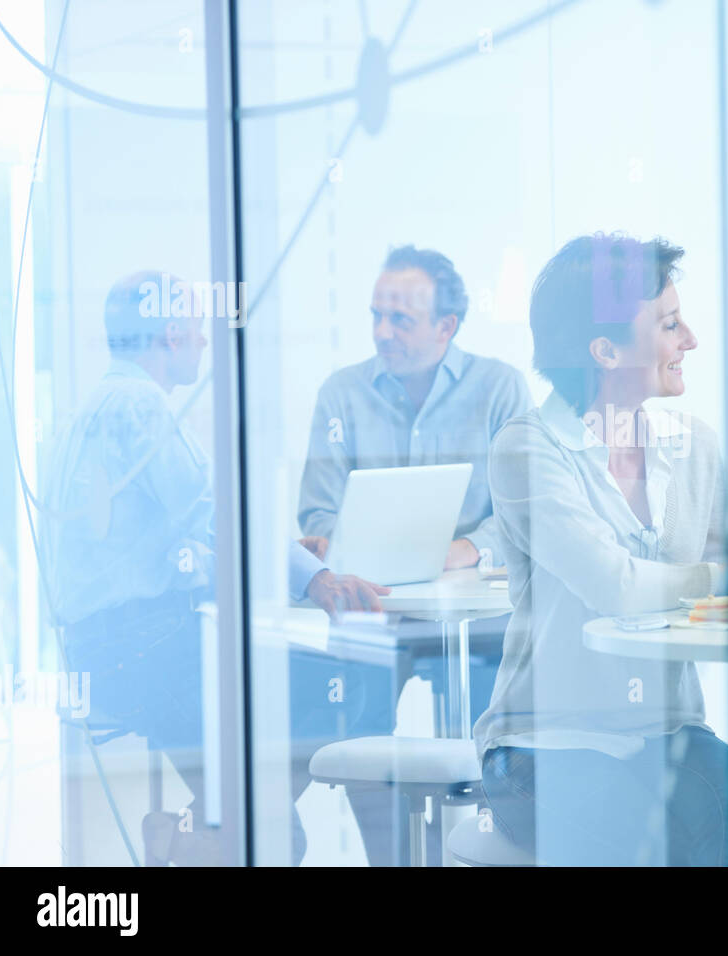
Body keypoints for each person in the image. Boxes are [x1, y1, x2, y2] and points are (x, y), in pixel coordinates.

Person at [41, 272, 390, 865]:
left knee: (267, 823)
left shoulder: (90, 407)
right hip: (151, 649)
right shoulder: (141, 406)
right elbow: (217, 514)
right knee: (352, 683)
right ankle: (204, 831)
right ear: (173, 332)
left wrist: (280, 554)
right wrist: (311, 576)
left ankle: (203, 825)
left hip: (113, 651)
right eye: (199, 330)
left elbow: (146, 550)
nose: (205, 342)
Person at [473, 233, 728, 866]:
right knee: (652, 840)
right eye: (670, 324)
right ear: (605, 349)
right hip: (543, 742)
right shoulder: (528, 449)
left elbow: (723, 595)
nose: (690, 340)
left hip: (668, 731)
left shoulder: (693, 445)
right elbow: (615, 587)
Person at [297, 245, 532, 863]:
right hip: (377, 610)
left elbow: (528, 512)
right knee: (356, 728)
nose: (382, 332)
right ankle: (398, 857)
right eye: (376, 315)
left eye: (400, 319)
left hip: (479, 620)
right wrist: (331, 553)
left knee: (499, 739)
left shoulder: (499, 388)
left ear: (446, 327)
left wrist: (467, 548)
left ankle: (478, 852)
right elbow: (317, 514)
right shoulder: (340, 395)